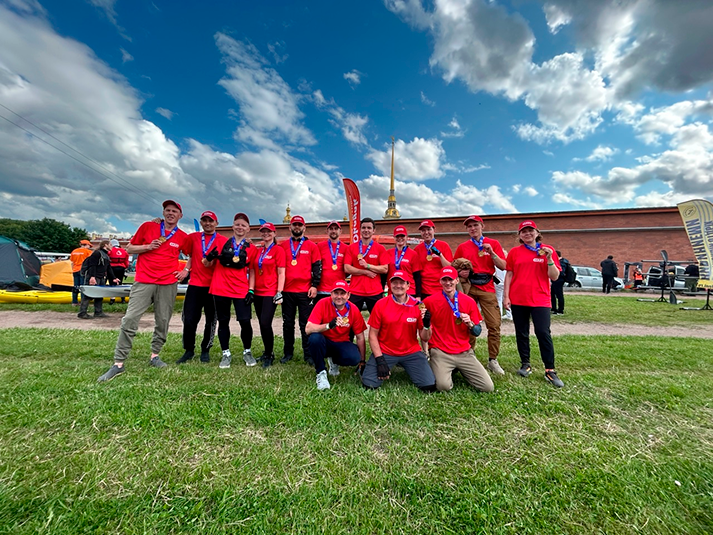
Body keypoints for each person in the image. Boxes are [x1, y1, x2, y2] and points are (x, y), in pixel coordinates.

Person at [97, 200, 189, 382]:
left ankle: (155, 355)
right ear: (163, 212)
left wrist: (186, 270)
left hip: (167, 283)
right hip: (144, 280)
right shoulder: (148, 227)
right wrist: (147, 247)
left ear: (180, 216)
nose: (170, 213)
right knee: (130, 318)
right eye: (167, 210)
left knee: (163, 320)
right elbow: (129, 248)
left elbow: (192, 254)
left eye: (174, 211)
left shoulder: (182, 236)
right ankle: (118, 363)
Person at [503, 220, 564, 388]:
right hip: (518, 298)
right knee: (521, 332)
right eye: (524, 231)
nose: (527, 233)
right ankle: (525, 364)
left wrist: (549, 259)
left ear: (537, 233)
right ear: (519, 235)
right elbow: (509, 274)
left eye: (530, 230)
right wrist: (506, 296)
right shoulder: (515, 252)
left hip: (540, 299)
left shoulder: (548, 250)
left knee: (543, 332)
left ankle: (550, 369)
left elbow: (554, 276)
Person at [361, 271, 436, 392]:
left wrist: (427, 325)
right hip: (386, 351)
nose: (398, 286)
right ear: (390, 285)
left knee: (429, 385)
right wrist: (379, 359)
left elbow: (425, 337)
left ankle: (406, 364)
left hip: (411, 352)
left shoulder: (418, 306)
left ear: (408, 285)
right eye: (395, 283)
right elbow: (372, 335)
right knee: (369, 384)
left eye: (402, 283)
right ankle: (379, 364)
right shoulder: (381, 304)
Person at [424, 267, 493, 393]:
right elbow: (421, 324)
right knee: (443, 386)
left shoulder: (469, 301)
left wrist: (470, 324)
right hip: (440, 351)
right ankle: (440, 366)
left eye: (450, 280)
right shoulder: (429, 301)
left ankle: (458, 368)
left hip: (464, 352)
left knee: (487, 387)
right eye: (444, 280)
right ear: (440, 281)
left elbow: (477, 332)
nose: (447, 283)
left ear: (457, 280)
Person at [453, 215, 507, 376]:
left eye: (475, 225)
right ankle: (468, 355)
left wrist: (492, 253)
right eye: (469, 226)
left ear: (482, 226)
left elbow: (503, 266)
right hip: (469, 287)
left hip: (487, 286)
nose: (472, 228)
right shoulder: (463, 247)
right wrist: (460, 272)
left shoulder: (493, 243)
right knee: (467, 323)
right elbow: (454, 266)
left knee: (494, 325)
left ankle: (493, 360)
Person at [206, 212, 257, 369]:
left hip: (240, 289)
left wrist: (251, 290)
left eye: (243, 225)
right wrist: (209, 258)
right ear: (232, 226)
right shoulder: (220, 242)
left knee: (245, 322)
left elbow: (252, 270)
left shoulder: (252, 248)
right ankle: (225, 353)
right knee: (223, 321)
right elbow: (207, 264)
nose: (240, 227)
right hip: (220, 288)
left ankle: (247, 351)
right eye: (237, 224)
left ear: (248, 229)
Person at [176, 210, 221, 365]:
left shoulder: (222, 240)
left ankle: (205, 349)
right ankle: (189, 349)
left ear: (216, 223)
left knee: (211, 319)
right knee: (189, 318)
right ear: (201, 222)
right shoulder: (193, 238)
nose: (208, 223)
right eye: (205, 220)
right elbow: (190, 255)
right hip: (195, 284)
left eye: (211, 221)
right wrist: (186, 269)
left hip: (214, 286)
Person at [305, 280, 367, 390]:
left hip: (342, 342)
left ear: (348, 295)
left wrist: (362, 361)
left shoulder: (353, 309)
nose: (339, 297)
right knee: (314, 338)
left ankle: (334, 361)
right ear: (331, 294)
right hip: (325, 342)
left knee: (354, 358)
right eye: (336, 293)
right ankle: (321, 372)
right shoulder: (322, 303)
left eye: (342, 293)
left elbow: (360, 337)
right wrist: (328, 326)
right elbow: (308, 329)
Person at [279, 215, 322, 365]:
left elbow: (317, 267)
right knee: (287, 323)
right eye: (294, 225)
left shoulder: (312, 246)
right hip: (287, 291)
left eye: (299, 225)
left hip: (305, 292)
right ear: (290, 227)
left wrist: (314, 285)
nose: (297, 227)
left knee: (305, 324)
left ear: (304, 228)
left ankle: (308, 354)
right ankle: (288, 353)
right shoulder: (283, 246)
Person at [251, 221, 286, 367]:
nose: (266, 234)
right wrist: (251, 289)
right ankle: (266, 352)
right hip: (257, 292)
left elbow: (281, 272)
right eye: (263, 231)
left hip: (270, 292)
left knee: (266, 323)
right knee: (262, 323)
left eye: (269, 231)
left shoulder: (278, 250)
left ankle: (270, 354)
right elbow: (253, 270)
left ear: (274, 233)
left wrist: (279, 292)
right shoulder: (258, 251)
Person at [344, 217, 388, 313]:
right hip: (355, 291)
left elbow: (385, 269)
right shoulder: (351, 248)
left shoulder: (380, 248)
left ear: (373, 230)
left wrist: (368, 266)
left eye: (369, 228)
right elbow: (347, 268)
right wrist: (365, 272)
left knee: (378, 319)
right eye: (363, 228)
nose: (366, 230)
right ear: (360, 230)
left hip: (375, 291)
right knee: (351, 319)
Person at [78, 240, 120, 319]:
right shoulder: (97, 253)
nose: (112, 246)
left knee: (100, 295)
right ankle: (82, 313)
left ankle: (98, 312)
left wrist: (113, 278)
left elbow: (108, 268)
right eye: (110, 244)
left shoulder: (106, 255)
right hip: (94, 277)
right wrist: (92, 277)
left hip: (100, 277)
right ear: (105, 245)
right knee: (88, 295)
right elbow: (92, 265)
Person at [412, 220, 453, 300]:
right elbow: (416, 273)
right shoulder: (417, 249)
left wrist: (440, 255)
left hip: (441, 289)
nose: (426, 232)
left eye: (429, 229)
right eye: (423, 230)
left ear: (434, 230)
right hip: (424, 290)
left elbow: (449, 268)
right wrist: (418, 294)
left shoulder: (444, 245)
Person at [385, 225, 422, 296]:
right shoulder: (388, 253)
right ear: (394, 238)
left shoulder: (413, 254)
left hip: (409, 291)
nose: (400, 238)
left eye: (402, 236)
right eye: (397, 236)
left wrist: (418, 295)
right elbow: (384, 275)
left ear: (407, 237)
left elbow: (417, 277)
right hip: (393, 291)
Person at [316, 221, 346, 303]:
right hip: (322, 290)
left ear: (340, 231)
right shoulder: (319, 246)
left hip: (339, 290)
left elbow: (347, 268)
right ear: (327, 231)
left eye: (336, 229)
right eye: (331, 229)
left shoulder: (346, 248)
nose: (333, 231)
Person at [70, 239, 93, 306]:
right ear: (86, 245)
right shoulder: (88, 252)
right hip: (83, 270)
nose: (89, 247)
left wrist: (73, 269)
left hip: (75, 270)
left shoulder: (74, 251)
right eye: (89, 246)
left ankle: (74, 302)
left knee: (76, 286)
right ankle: (83, 302)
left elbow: (72, 262)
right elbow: (90, 262)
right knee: (83, 286)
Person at [107, 239, 130, 304]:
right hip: (121, 268)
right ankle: (122, 298)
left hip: (112, 268)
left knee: (112, 283)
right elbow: (126, 261)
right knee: (120, 283)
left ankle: (112, 299)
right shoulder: (124, 251)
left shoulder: (110, 251)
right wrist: (125, 267)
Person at [550, 250, 568, 315]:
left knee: (559, 295)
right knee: (552, 294)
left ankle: (560, 310)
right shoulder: (562, 261)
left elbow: (561, 272)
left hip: (559, 280)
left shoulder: (562, 262)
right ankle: (553, 308)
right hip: (555, 280)